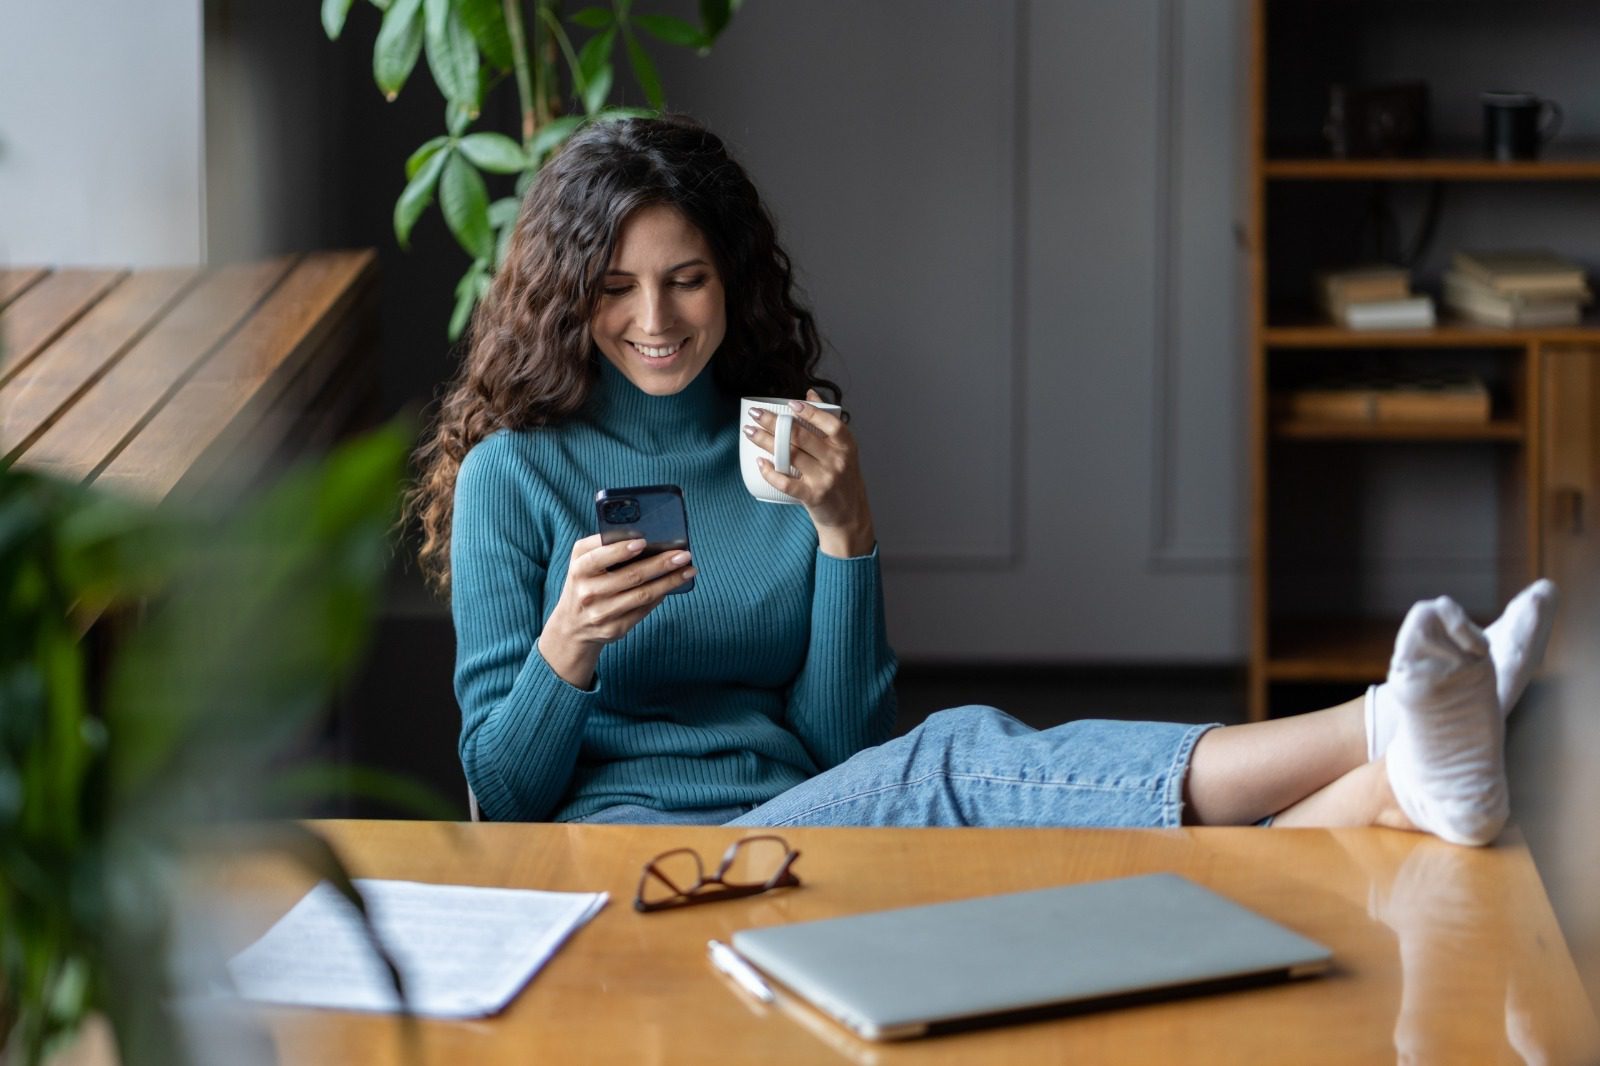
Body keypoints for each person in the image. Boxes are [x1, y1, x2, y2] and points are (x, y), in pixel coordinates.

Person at [408, 115, 1558, 847]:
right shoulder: (518, 477)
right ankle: (1381, 722)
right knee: (959, 757)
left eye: (687, 280)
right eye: (614, 286)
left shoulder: (782, 449)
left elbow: (842, 750)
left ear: (731, 281)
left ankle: (1407, 782)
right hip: (643, 866)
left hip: (803, 828)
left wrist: (847, 538)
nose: (654, 321)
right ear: (567, 297)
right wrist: (566, 648)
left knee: (995, 806)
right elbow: (503, 802)